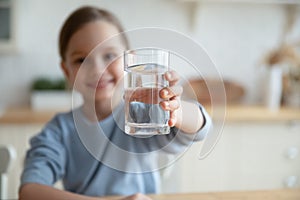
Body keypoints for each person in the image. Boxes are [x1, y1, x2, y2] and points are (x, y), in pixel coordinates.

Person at [19, 6, 212, 200]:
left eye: (109, 56)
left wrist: (175, 110)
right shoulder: (58, 131)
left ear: (131, 61)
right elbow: (29, 191)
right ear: (66, 71)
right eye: (81, 60)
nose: (97, 69)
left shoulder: (144, 116)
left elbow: (200, 126)